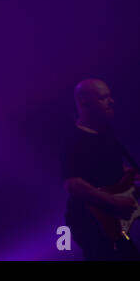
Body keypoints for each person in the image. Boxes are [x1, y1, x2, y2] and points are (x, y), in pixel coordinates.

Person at [60, 78, 140, 260]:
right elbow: (72, 183)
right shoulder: (74, 138)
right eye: (104, 98)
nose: (111, 101)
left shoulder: (106, 132)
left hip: (111, 222)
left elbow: (106, 168)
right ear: (85, 104)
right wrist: (113, 202)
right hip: (89, 221)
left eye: (110, 96)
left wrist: (128, 175)